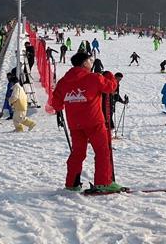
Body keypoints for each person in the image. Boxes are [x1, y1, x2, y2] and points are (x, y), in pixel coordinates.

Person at [50, 52, 122, 192]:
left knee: (77, 153)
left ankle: (72, 184)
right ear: (84, 63)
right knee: (102, 152)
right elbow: (110, 87)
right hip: (94, 122)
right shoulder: (93, 78)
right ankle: (103, 182)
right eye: (90, 60)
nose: (91, 63)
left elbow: (56, 103)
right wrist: (109, 76)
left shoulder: (64, 81)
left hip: (75, 124)